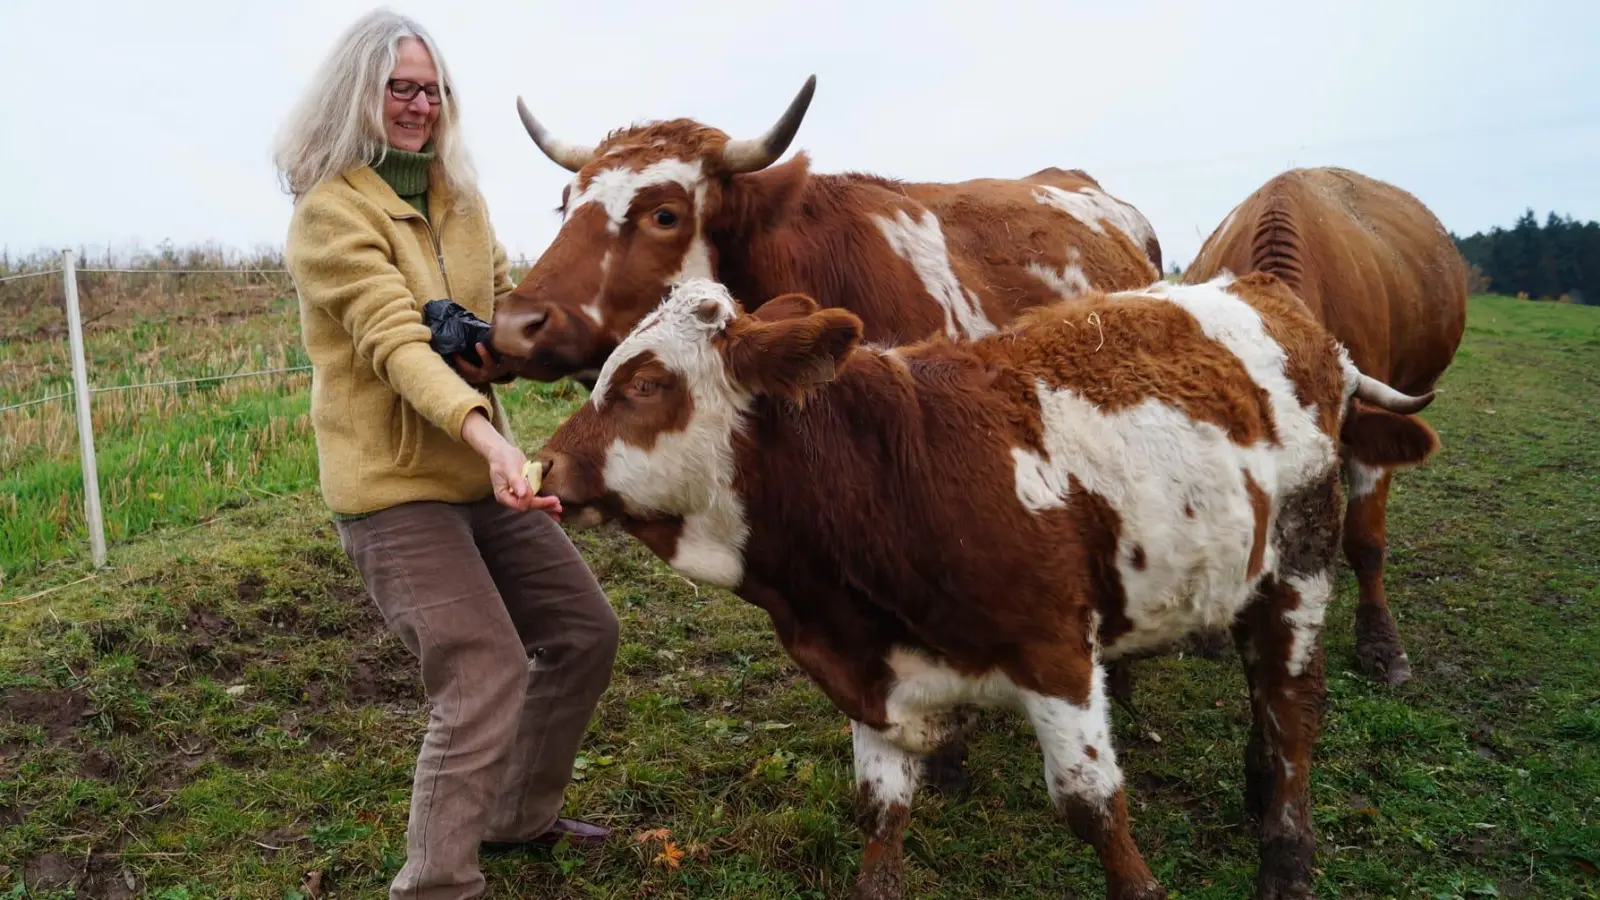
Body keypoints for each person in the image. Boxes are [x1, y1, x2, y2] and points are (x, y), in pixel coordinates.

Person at [272, 9, 619, 898]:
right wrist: (490, 435)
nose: (419, 105)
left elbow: (506, 310)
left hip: (479, 475)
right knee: (482, 671)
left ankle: (517, 817)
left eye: (432, 90)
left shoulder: (458, 197)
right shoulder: (329, 215)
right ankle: (435, 884)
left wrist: (596, 363)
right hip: (394, 493)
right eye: (400, 87)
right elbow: (395, 345)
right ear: (358, 95)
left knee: (584, 632)